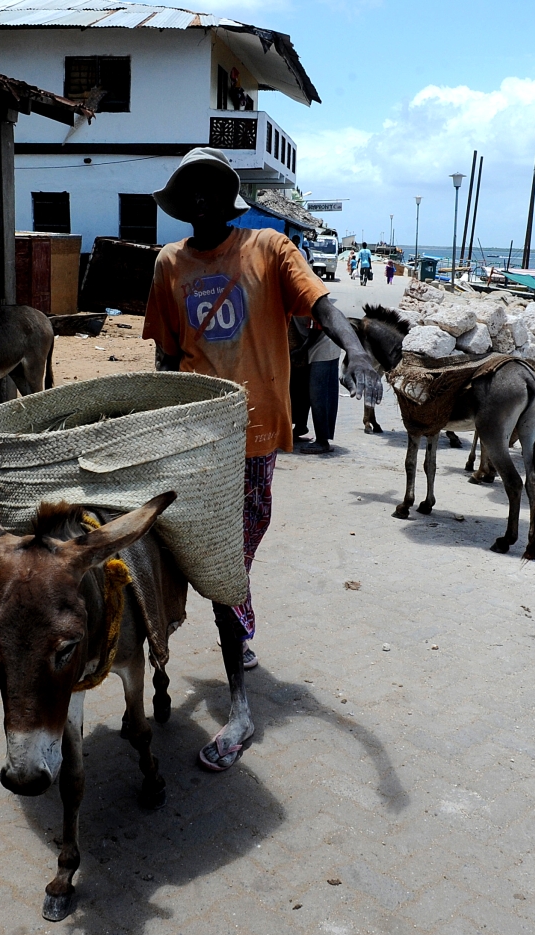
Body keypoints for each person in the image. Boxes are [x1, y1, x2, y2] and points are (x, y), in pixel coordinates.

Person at [143, 147, 382, 771]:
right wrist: (156, 422)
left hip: (252, 434)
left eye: (211, 189)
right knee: (188, 545)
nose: (201, 201)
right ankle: (235, 656)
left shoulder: (269, 251)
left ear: (230, 198)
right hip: (194, 434)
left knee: (233, 551)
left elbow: (322, 307)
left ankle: (242, 698)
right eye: (189, 190)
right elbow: (168, 357)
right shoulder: (169, 264)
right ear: (181, 203)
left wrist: (355, 350)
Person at [290, 315, 341, 454]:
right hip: (307, 342)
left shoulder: (310, 297)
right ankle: (300, 427)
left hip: (324, 343)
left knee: (319, 394)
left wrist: (302, 350)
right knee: (301, 387)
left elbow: (317, 327)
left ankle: (322, 441)